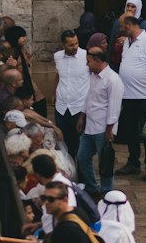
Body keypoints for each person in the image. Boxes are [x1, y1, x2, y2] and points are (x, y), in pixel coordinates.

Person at [114, 14, 146, 181]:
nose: (119, 29)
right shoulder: (127, 42)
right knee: (131, 130)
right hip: (128, 94)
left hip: (143, 95)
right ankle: (133, 162)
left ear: (128, 25)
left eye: (121, 26)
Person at [76, 46, 124, 198]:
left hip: (103, 127)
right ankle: (92, 188)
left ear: (97, 61)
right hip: (90, 125)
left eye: (89, 62)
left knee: (105, 162)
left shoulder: (113, 79)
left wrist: (110, 128)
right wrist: (82, 116)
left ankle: (107, 192)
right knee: (82, 157)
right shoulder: (93, 76)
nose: (87, 65)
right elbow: (88, 98)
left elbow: (114, 106)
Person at [52, 30, 90, 160]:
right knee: (62, 143)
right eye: (71, 45)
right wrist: (54, 93)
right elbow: (58, 75)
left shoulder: (86, 56)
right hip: (61, 107)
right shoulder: (57, 56)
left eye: (76, 43)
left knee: (79, 145)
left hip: (79, 107)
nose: (75, 47)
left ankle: (81, 175)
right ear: (63, 45)